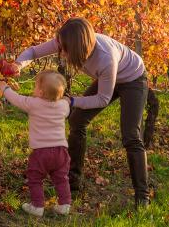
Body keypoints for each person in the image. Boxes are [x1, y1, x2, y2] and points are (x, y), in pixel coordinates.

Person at [8, 17, 150, 207]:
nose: (61, 53)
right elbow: (34, 51)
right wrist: (18, 64)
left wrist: (72, 100)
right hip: (107, 77)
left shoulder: (106, 58)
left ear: (78, 49)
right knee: (77, 120)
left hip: (133, 79)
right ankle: (73, 183)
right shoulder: (66, 41)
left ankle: (142, 197)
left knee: (131, 135)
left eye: (64, 50)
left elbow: (103, 99)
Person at [0, 70, 71, 217]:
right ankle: (64, 204)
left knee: (35, 179)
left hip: (41, 153)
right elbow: (67, 106)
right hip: (61, 152)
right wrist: (67, 100)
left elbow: (16, 98)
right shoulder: (63, 106)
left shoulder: (33, 103)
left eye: (35, 86)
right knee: (61, 179)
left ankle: (37, 206)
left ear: (42, 92)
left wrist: (5, 88)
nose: (33, 89)